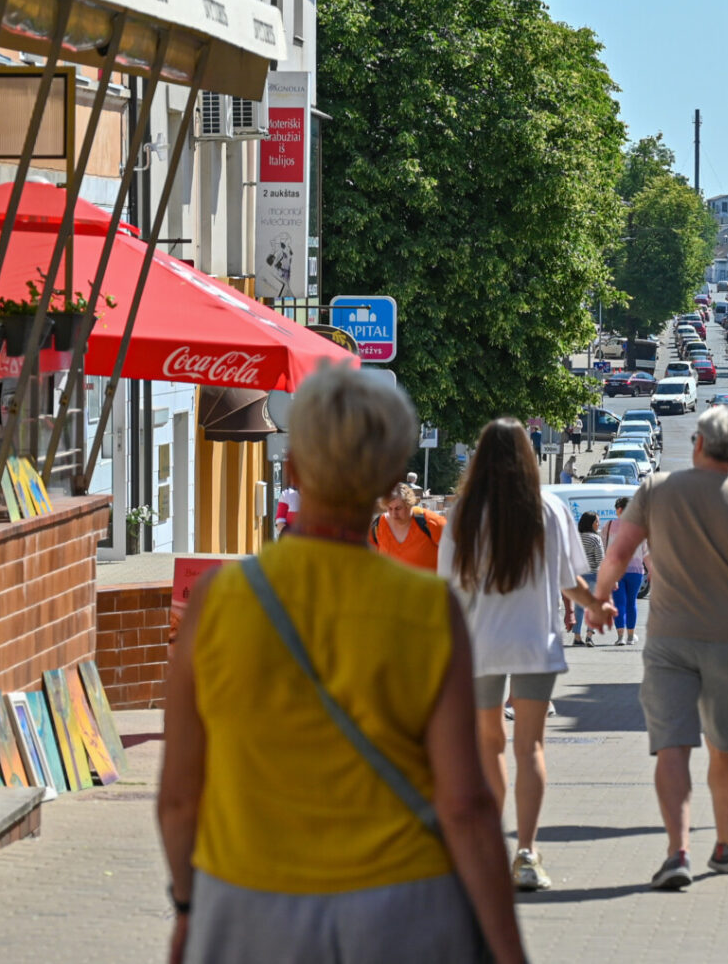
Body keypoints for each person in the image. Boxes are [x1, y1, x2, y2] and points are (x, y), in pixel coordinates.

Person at [158, 367, 525, 964]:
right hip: (401, 909)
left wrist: (187, 907)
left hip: (249, 904)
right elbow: (465, 805)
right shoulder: (429, 610)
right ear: (387, 483)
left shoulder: (220, 602)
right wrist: (508, 949)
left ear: (295, 471)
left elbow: (178, 796)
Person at [593, 406, 728, 890]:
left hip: (669, 641)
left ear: (697, 442)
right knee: (724, 743)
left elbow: (617, 553)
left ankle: (677, 853)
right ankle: (724, 841)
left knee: (672, 748)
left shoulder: (656, 490)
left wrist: (598, 601)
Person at [437, 419, 615, 893]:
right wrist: (596, 606)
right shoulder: (551, 508)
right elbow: (566, 581)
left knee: (488, 744)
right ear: (528, 456)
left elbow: (449, 589)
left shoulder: (462, 514)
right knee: (530, 746)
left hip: (479, 643)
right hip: (536, 640)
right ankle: (527, 854)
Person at [601, 496, 650, 645]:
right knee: (631, 603)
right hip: (636, 570)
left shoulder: (609, 526)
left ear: (620, 510)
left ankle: (620, 637)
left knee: (619, 603)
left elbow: (603, 548)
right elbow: (646, 551)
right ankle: (631, 636)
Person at [369, 482, 447, 573]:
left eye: (398, 508)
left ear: (409, 505)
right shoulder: (378, 525)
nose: (394, 514)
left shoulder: (429, 521)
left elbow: (456, 549)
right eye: (389, 508)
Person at [571, 512, 604, 647]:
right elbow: (600, 560)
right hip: (593, 576)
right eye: (597, 521)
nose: (599, 524)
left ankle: (577, 637)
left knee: (578, 607)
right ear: (591, 523)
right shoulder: (595, 539)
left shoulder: (575, 538)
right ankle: (589, 635)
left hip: (577, 577)